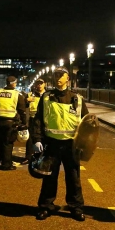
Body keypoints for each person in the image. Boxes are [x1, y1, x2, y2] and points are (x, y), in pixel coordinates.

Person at [31, 66, 89, 221]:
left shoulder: (77, 98)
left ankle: (76, 207)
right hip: (52, 143)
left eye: (61, 75)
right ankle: (45, 206)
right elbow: (38, 120)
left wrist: (85, 144)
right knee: (49, 176)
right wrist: (37, 139)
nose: (58, 77)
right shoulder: (47, 97)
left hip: (72, 145)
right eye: (56, 75)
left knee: (74, 178)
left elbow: (86, 123)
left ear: (67, 78)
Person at [0, 76, 27, 170]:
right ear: (14, 83)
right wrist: (24, 123)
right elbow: (22, 110)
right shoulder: (16, 94)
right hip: (10, 122)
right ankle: (6, 164)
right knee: (8, 143)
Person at [24, 79, 46, 163]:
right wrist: (26, 100)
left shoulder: (48, 95)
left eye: (41, 83)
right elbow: (23, 105)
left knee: (43, 139)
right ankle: (28, 157)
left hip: (44, 119)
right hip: (33, 119)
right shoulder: (30, 94)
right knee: (30, 139)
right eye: (38, 84)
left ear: (44, 84)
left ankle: (42, 157)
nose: (39, 85)